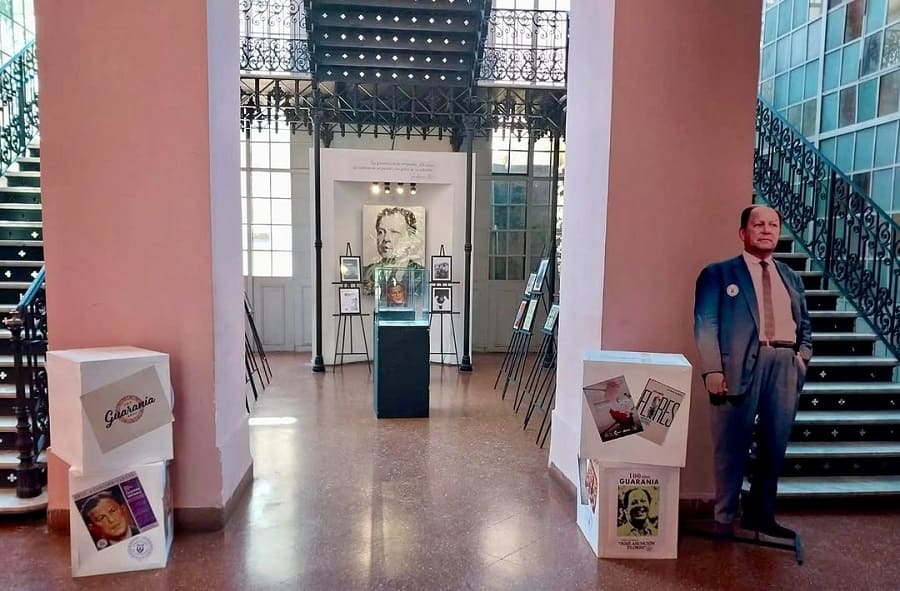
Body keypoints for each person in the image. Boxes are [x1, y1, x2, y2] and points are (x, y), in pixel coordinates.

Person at [694, 205, 812, 539]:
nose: (766, 229)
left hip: (785, 364)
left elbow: (804, 323)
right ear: (743, 232)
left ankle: (761, 515)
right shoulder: (718, 274)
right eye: (758, 224)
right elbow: (706, 324)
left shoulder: (790, 277)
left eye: (773, 224)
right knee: (731, 446)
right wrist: (713, 371)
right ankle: (725, 519)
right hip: (737, 367)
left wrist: (802, 357)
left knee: (774, 445)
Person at [363, 207, 425, 294]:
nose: (386, 239)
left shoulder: (421, 275)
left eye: (394, 232)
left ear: (410, 239)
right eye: (381, 232)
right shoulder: (366, 273)